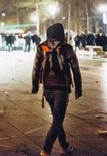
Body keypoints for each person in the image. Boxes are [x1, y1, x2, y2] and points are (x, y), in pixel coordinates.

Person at [32, 23, 82, 156]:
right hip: (62, 89)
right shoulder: (67, 48)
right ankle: (46, 149)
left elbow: (36, 67)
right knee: (58, 119)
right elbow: (75, 69)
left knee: (56, 118)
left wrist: (35, 85)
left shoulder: (41, 47)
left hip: (47, 88)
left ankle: (64, 146)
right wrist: (78, 88)